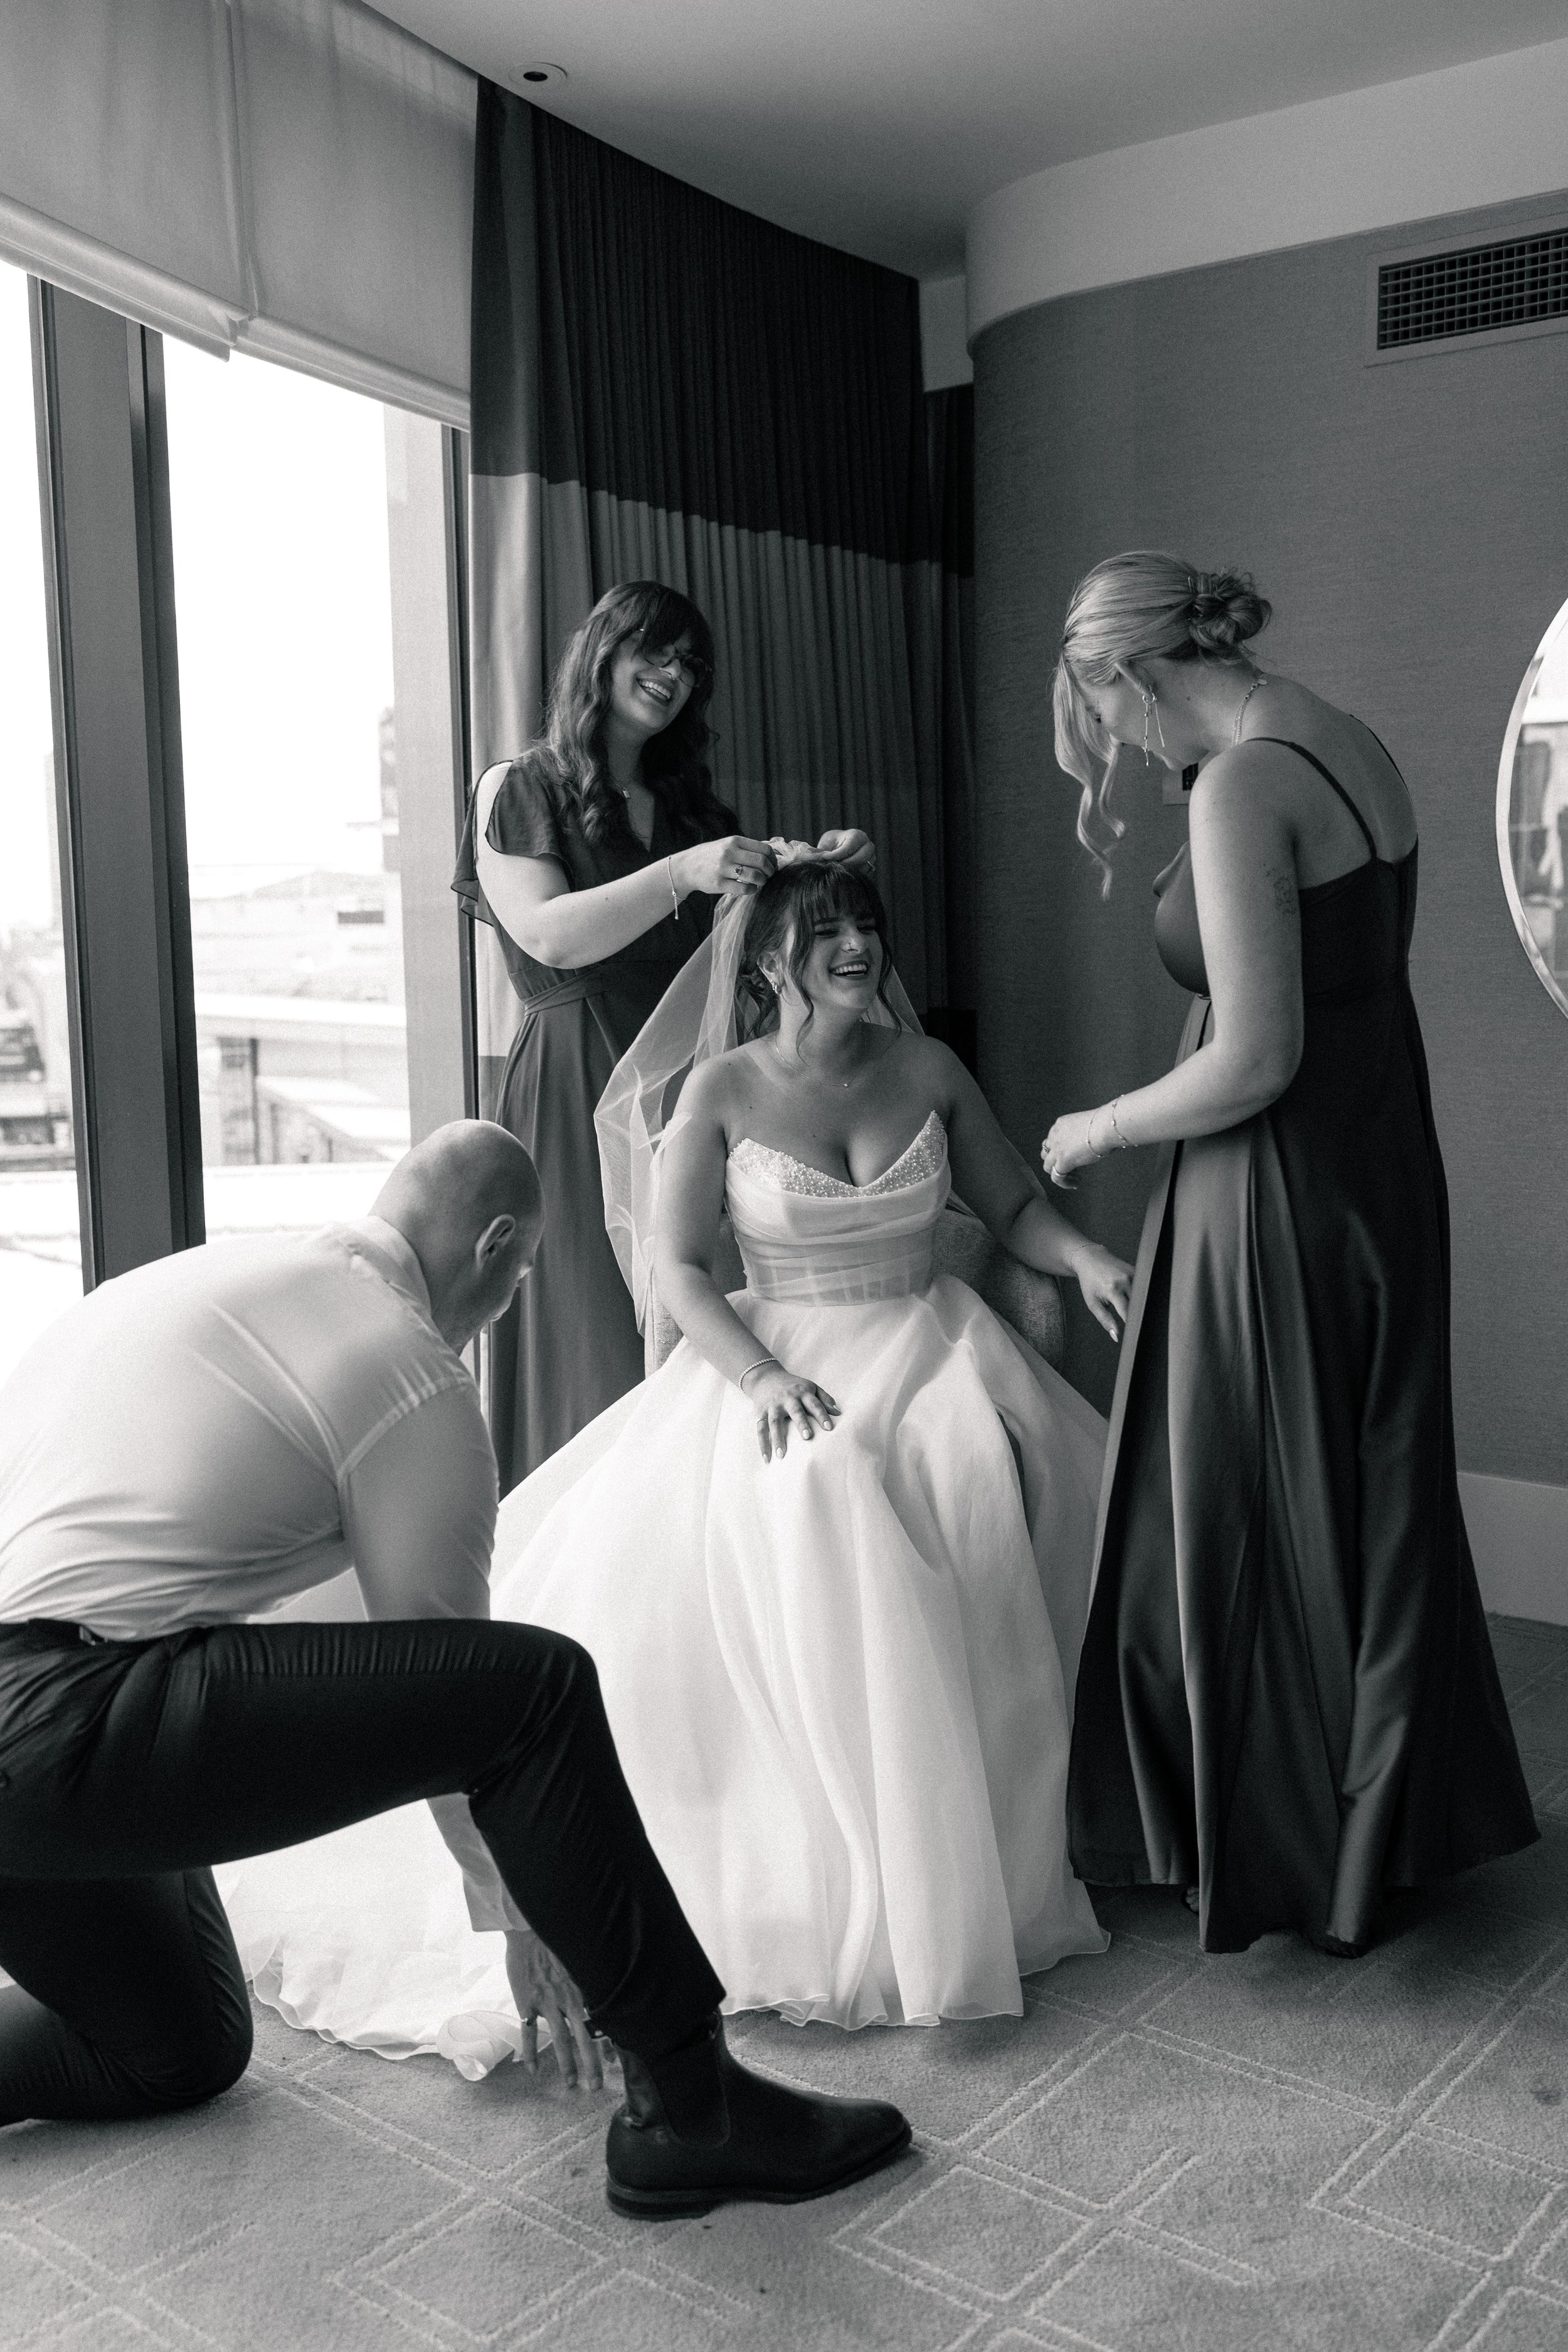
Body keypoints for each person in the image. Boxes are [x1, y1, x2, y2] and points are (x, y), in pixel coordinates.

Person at [218, 859, 1132, 2054]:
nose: (856, 943)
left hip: (929, 1340)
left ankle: (999, 1840)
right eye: (826, 928)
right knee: (823, 1487)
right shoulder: (722, 1090)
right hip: (775, 1350)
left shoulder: (930, 1070)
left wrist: (1084, 1259)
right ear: (766, 962)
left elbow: (1012, 1207)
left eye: (866, 920)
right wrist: (760, 1373)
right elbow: (680, 1272)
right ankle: (845, 1869)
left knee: (981, 1475)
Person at [0, 1121, 911, 2220]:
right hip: (55, 1715)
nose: (506, 1304)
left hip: (57, 1716)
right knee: (531, 1691)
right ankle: (692, 2105)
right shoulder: (403, 1367)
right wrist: (523, 1920)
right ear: (493, 1247)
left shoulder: (220, 1281)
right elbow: (461, 1707)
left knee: (182, 2046)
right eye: (518, 1275)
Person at [1042, 550, 1537, 1957]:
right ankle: (1383, 1822)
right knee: (1359, 1480)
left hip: (1272, 1176)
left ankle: (1285, 1845)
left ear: (1131, 674)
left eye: (1103, 710)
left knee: (1247, 1491)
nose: (1118, 748)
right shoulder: (1345, 740)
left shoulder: (1245, 784)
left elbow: (1256, 1056)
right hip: (1378, 1151)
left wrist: (1096, 1125)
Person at [454, 581, 870, 1489]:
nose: (675, 675)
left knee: (694, 1326)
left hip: (694, 1084)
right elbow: (551, 932)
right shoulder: (518, 786)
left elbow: (749, 964)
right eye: (657, 651)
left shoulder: (695, 812)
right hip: (576, 1075)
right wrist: (684, 873)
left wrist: (810, 875)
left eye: (692, 666)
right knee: (593, 1333)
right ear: (602, 650)